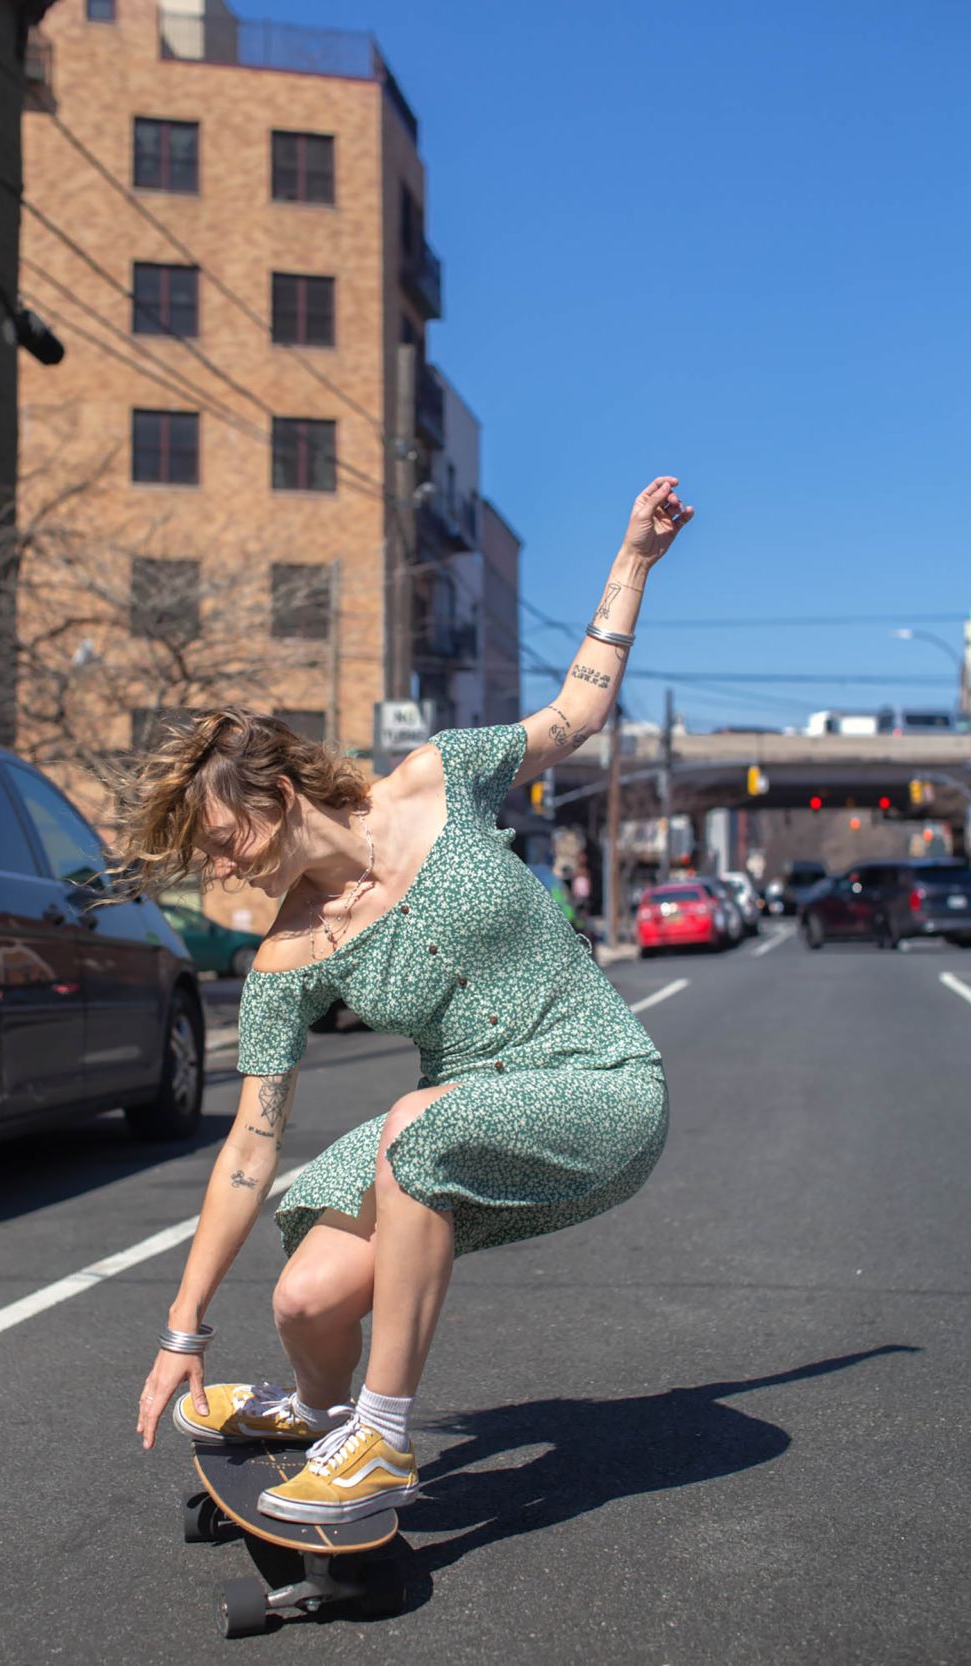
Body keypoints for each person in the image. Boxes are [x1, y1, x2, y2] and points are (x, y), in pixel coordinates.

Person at [127, 476, 694, 1524]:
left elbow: (577, 711)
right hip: (466, 1117)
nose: (223, 867)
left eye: (224, 840)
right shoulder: (287, 954)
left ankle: (381, 1439)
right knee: (303, 1288)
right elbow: (251, 1146)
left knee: (410, 1130)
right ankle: (314, 1410)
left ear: (279, 795)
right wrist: (184, 1326)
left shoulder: (436, 777)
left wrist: (633, 563)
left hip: (599, 1087)